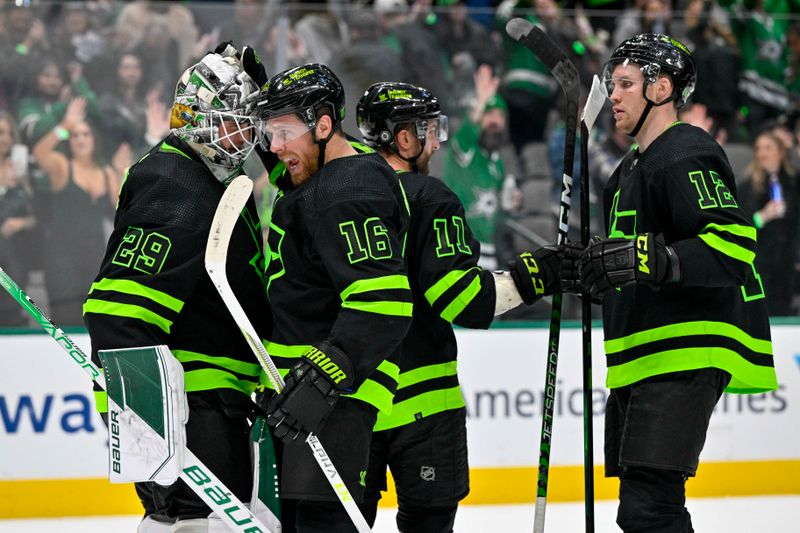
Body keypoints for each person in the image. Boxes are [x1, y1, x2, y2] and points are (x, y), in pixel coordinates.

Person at [575, 33, 778, 532]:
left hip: (682, 348)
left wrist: (652, 258)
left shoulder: (685, 149)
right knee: (640, 508)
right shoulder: (625, 172)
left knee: (649, 508)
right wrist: (585, 268)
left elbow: (733, 245)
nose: (613, 95)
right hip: (643, 351)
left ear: (662, 88)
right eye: (611, 84)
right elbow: (630, 264)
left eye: (625, 83)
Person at [355, 81, 575, 532]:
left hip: (354, 402)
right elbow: (463, 299)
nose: (436, 140)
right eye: (429, 130)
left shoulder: (339, 198)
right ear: (405, 138)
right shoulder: (431, 197)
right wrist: (537, 275)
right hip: (423, 402)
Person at [83, 45, 270, 531]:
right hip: (192, 398)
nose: (244, 135)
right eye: (232, 121)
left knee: (182, 520)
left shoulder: (211, 176)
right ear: (196, 120)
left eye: (249, 122)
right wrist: (145, 411)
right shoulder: (178, 183)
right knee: (196, 522)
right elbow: (118, 309)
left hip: (214, 394)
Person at [256, 63, 413, 532]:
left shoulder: (347, 189)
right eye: (270, 132)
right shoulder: (333, 180)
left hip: (330, 402)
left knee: (321, 525)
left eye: (284, 132)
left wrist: (322, 381)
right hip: (307, 394)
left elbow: (384, 304)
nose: (276, 146)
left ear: (324, 125)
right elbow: (303, 197)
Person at [33, 97, 128, 326]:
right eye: (75, 135)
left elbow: (122, 209)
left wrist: (117, 170)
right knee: (65, 322)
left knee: (92, 321)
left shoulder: (106, 172)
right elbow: (40, 153)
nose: (80, 139)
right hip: (61, 259)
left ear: (94, 140)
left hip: (94, 258)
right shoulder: (62, 166)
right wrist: (65, 126)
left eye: (85, 134)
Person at [442, 64, 517, 270]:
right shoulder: (466, 151)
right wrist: (479, 104)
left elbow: (498, 213)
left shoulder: (497, 162)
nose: (495, 121)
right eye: (489, 114)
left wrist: (509, 204)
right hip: (459, 248)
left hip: (488, 252)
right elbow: (467, 132)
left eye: (499, 116)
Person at [738, 129, 799, 316]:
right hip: (760, 261)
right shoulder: (747, 186)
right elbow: (740, 226)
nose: (762, 153)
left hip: (787, 261)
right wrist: (761, 217)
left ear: (780, 151)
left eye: (768, 147)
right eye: (758, 148)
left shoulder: (794, 182)